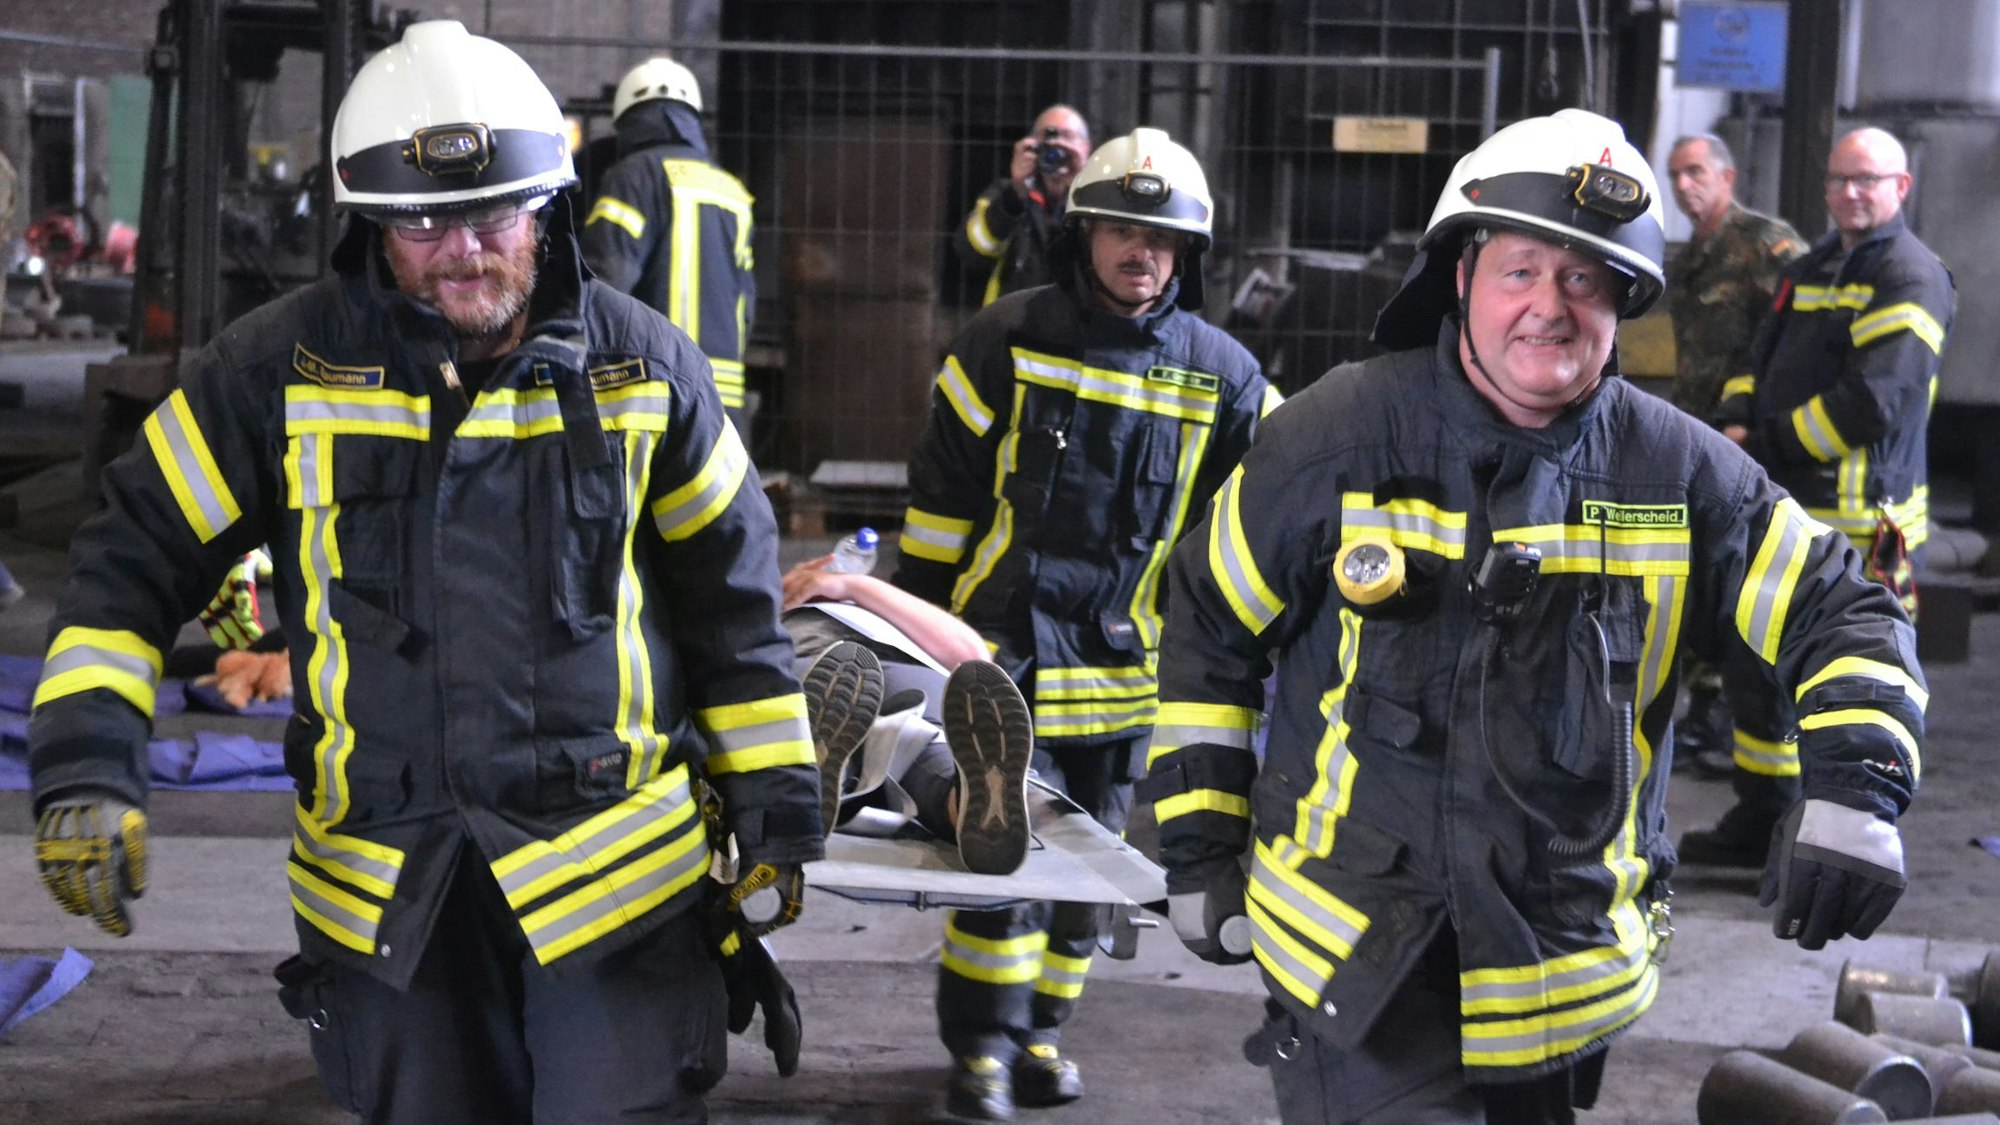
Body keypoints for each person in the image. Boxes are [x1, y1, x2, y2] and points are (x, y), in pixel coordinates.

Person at [25, 22, 822, 1124]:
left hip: (613, 884)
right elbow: (130, 561)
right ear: (373, 226)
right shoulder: (274, 375)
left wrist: (777, 800)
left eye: (492, 214)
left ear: (546, 206)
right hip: (392, 887)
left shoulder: (647, 372)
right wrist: (87, 766)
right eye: (423, 223)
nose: (462, 249)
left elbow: (734, 609)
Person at [1145, 108, 1922, 1125]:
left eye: (1584, 280)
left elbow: (1837, 605)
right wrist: (1198, 838)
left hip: (1560, 976)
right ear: (1460, 276)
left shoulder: (1677, 472)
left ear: (1621, 304)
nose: (1548, 309)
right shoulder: (1330, 441)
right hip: (1356, 951)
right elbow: (1208, 621)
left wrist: (1854, 786)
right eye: (1520, 272)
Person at [897, 126, 1280, 1120]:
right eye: (1119, 229)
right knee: (1003, 866)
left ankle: (1040, 1039)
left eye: (1160, 239)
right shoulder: (1002, 340)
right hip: (1001, 665)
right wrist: (915, 641)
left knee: (1095, 879)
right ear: (1084, 233)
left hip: (1131, 680)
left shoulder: (1228, 378)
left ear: (1187, 252)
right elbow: (942, 501)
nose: (1139, 253)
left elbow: (1256, 534)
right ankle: (979, 1049)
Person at [1680, 125, 1953, 868]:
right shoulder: (1809, 267)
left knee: (1843, 681)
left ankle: (1824, 840)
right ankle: (1763, 818)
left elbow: (1874, 402)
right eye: (1840, 180)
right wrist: (1737, 415)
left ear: (1901, 187)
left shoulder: (1912, 274)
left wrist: (1756, 443)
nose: (1852, 193)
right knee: (1755, 672)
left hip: (1862, 524)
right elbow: (1752, 361)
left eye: (1868, 180)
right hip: (1786, 512)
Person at [1661, 133, 1807, 774]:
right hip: (1700, 431)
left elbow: (1793, 341)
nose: (1685, 185)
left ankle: (1734, 716)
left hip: (1745, 438)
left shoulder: (1767, 244)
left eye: (1695, 171)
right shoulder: (1691, 256)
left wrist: (1749, 419)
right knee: (1702, 567)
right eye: (1675, 175)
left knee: (1741, 569)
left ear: (1727, 174)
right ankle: (1708, 708)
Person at [782, 557, 1035, 876]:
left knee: (821, 722)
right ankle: (965, 804)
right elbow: (970, 652)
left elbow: (975, 659)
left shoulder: (777, 611)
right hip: (897, 670)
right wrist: (855, 586)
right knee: (923, 744)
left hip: (817, 667)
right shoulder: (785, 606)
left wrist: (851, 585)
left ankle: (814, 782)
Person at [582, 56, 758, 428]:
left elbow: (604, 282)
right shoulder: (732, 191)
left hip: (653, 390)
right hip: (723, 398)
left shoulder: (634, 176)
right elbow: (747, 306)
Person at [954, 104, 1092, 307]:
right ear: (1032, 144)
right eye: (1048, 136)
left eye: (1068, 137)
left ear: (1086, 148)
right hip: (1013, 327)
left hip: (1076, 328)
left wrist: (1082, 188)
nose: (1057, 146)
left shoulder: (1097, 201)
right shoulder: (1006, 194)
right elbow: (969, 252)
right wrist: (1014, 196)